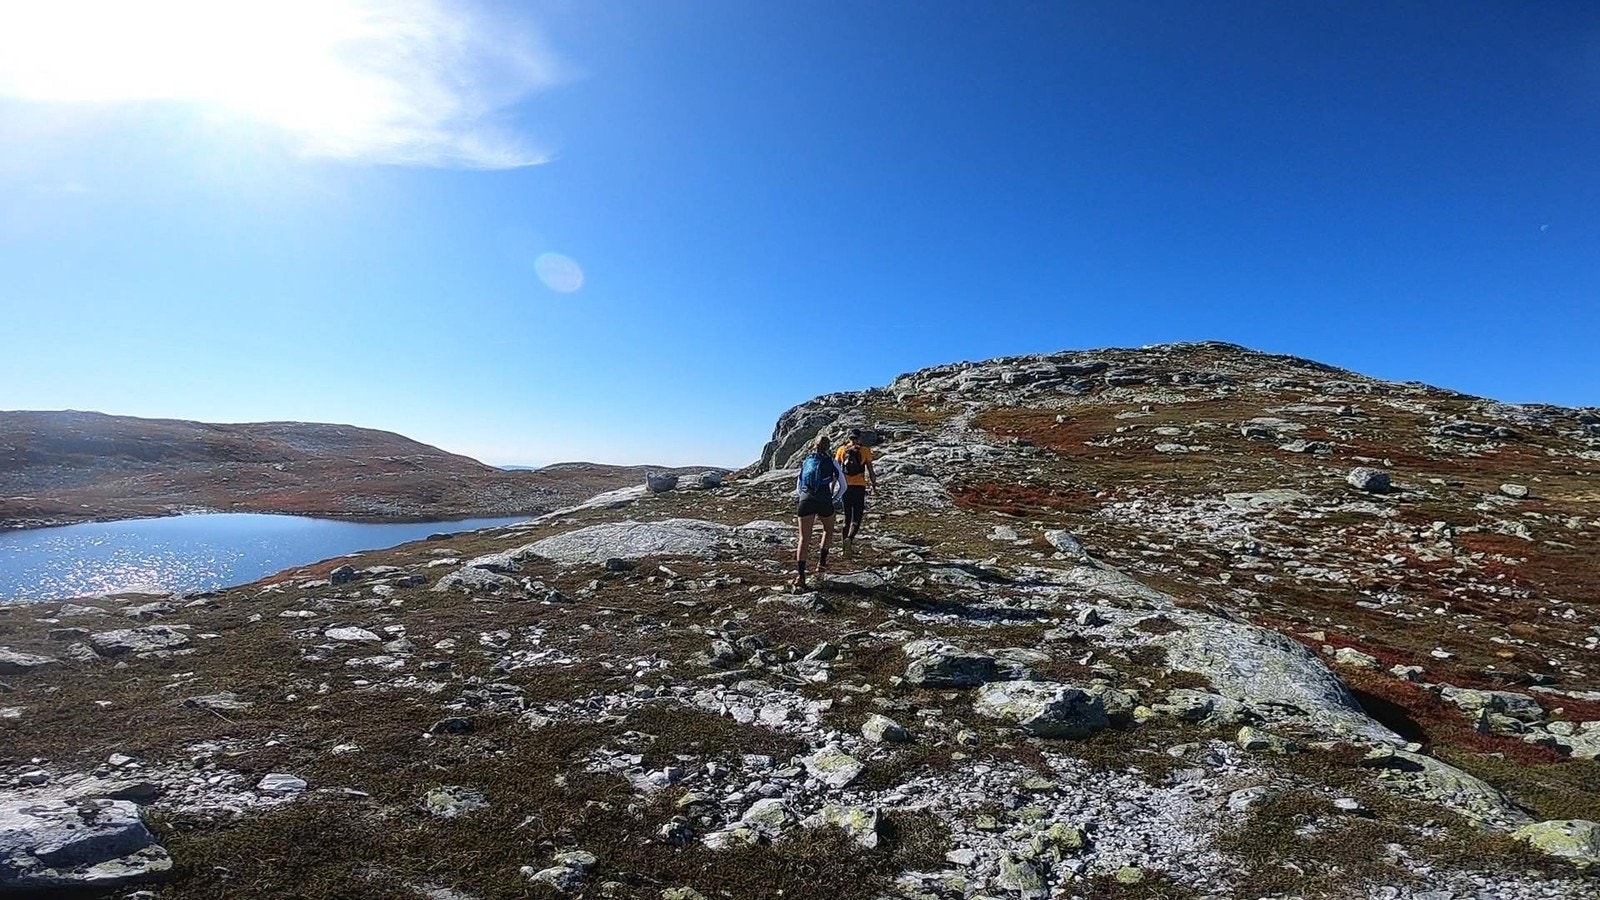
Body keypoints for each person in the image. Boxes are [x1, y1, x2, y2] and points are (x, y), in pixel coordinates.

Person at [792, 434, 847, 590]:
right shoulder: (832, 462)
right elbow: (843, 486)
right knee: (828, 530)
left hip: (805, 501)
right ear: (828, 447)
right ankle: (821, 564)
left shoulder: (807, 461)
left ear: (814, 445)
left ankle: (800, 576)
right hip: (824, 501)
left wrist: (804, 497)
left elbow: (798, 486)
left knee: (804, 538)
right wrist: (834, 499)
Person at [834, 428, 877, 555]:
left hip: (845, 487)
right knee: (856, 518)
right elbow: (870, 470)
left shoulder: (842, 450)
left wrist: (833, 486)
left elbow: (836, 469)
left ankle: (843, 546)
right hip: (859, 486)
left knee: (846, 517)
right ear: (859, 438)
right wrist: (874, 486)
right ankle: (849, 540)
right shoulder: (864, 450)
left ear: (849, 438)